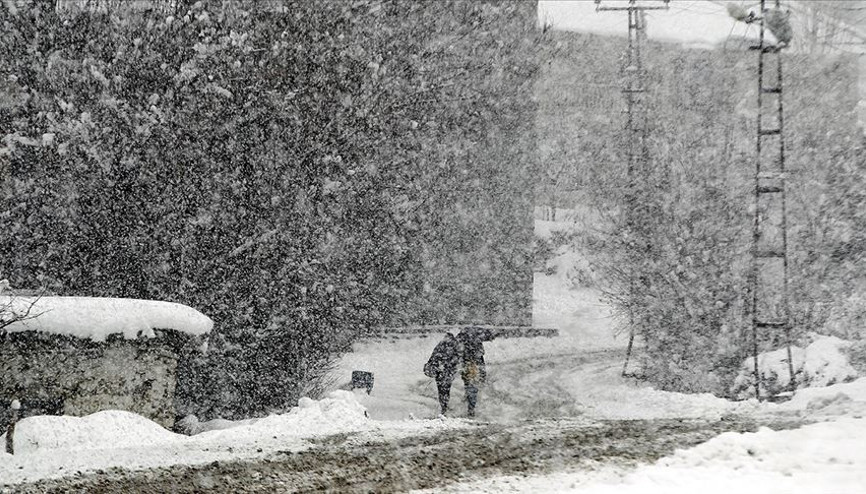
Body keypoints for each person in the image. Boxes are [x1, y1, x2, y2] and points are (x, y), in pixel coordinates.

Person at [455, 326, 496, 417]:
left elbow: (459, 349)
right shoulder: (476, 337)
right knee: (472, 384)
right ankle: (471, 407)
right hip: (473, 361)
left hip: (469, 361)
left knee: (470, 383)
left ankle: (470, 404)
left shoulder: (465, 336)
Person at [424, 332, 461, 415]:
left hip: (439, 371)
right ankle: (444, 406)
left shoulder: (439, 346)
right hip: (447, 371)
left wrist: (434, 365)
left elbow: (432, 358)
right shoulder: (454, 346)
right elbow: (457, 359)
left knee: (441, 389)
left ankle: (443, 406)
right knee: (446, 389)